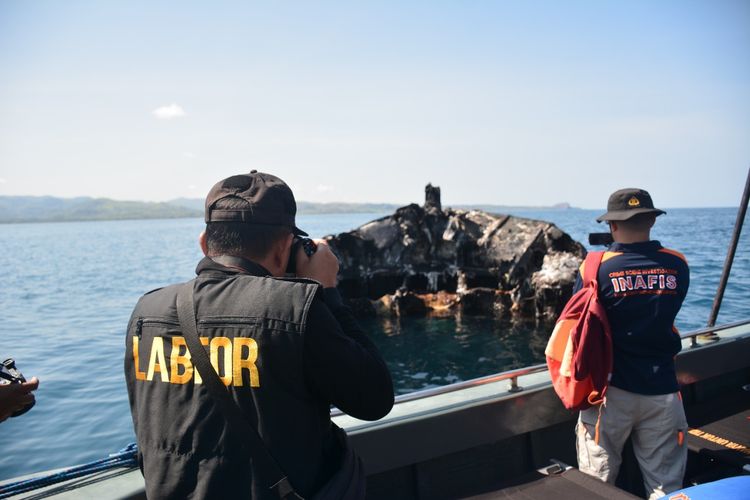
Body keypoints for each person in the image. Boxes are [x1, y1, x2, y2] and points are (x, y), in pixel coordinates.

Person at [124, 171, 394, 499]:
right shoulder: (295, 307)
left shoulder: (147, 310)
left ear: (205, 243)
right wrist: (327, 292)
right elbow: (375, 399)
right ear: (285, 249)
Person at [574, 188, 689, 500]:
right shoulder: (678, 264)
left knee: (597, 484)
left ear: (612, 225)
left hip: (610, 394)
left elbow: (577, 321)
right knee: (666, 486)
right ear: (652, 220)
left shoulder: (595, 267)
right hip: (663, 391)